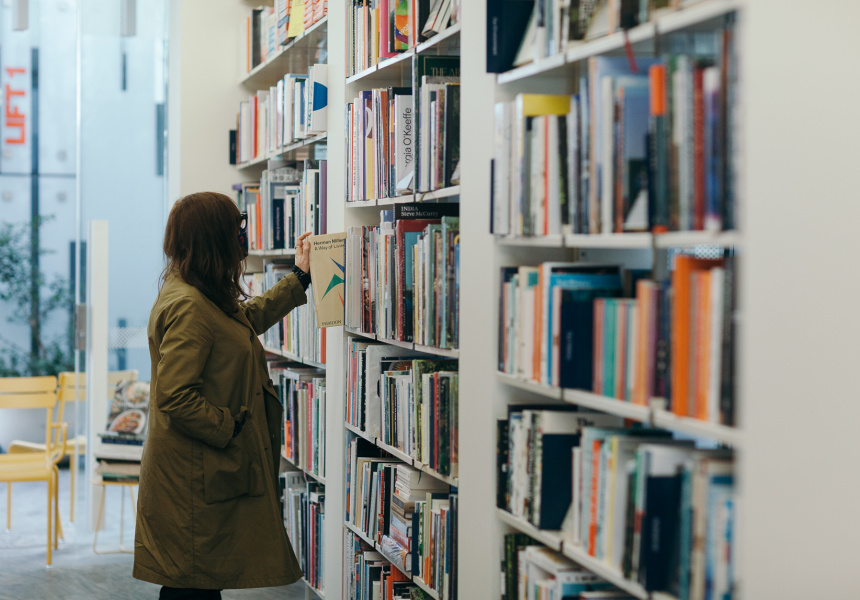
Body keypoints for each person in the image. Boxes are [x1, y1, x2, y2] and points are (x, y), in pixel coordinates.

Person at [133, 192, 312, 599]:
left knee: (196, 584)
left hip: (198, 470)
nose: (242, 237)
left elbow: (241, 322)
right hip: (193, 475)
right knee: (191, 587)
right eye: (236, 228)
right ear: (215, 238)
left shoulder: (197, 292)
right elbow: (175, 396)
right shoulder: (189, 305)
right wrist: (230, 427)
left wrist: (299, 278)